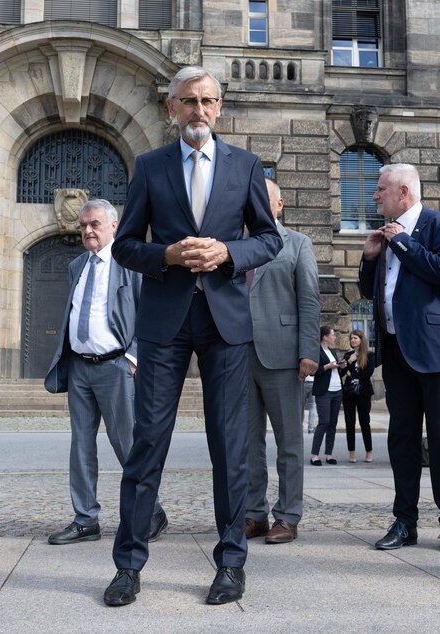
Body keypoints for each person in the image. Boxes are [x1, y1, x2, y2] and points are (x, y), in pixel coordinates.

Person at [105, 66, 282, 607]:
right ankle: (129, 564)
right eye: (188, 101)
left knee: (229, 447)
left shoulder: (246, 165)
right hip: (165, 321)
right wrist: (167, 254)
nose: (198, 110)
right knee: (148, 441)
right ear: (170, 108)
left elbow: (269, 239)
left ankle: (231, 562)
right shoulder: (149, 166)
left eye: (207, 101)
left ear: (220, 107)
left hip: (226, 321)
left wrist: (229, 252)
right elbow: (125, 244)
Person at [358, 163, 440, 555]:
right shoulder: (383, 235)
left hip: (438, 352)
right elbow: (370, 291)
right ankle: (405, 521)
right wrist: (371, 258)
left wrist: (403, 243)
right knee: (402, 440)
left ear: (403, 192)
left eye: (380, 189)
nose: (375, 196)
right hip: (396, 352)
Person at [44, 199, 167, 546]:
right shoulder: (77, 265)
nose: (87, 231)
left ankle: (152, 511)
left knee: (128, 444)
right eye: (83, 226)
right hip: (80, 367)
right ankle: (86, 520)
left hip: (116, 367)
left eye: (94, 224)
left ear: (114, 226)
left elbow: (151, 315)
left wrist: (133, 359)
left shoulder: (131, 263)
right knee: (80, 445)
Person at [245, 178, 320, 545]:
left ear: (279, 205)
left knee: (288, 441)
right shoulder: (235, 242)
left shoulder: (298, 243)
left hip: (284, 356)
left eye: (265, 198)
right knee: (247, 442)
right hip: (239, 354)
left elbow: (309, 299)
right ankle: (253, 514)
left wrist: (309, 351)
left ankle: (288, 516)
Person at [310, 326, 345, 466]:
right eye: (332, 335)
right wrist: (327, 367)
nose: (335, 337)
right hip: (324, 392)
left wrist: (341, 366)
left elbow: (336, 370)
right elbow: (313, 371)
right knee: (324, 422)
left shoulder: (332, 352)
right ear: (324, 337)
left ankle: (329, 454)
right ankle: (315, 455)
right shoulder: (316, 352)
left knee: (332, 423)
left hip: (337, 390)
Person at [341, 329, 375, 463]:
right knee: (350, 423)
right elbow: (341, 373)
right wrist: (349, 361)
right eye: (351, 338)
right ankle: (352, 453)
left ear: (361, 340)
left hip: (363, 393)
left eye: (355, 338)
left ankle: (368, 452)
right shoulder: (348, 355)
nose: (353, 340)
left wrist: (353, 375)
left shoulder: (369, 355)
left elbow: (368, 373)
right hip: (349, 393)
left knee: (364, 422)